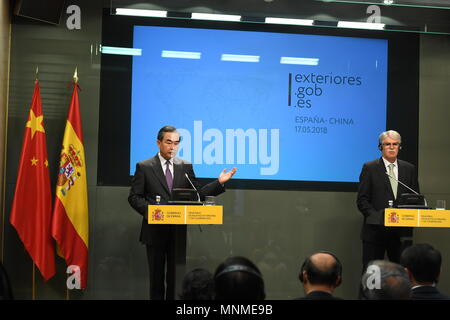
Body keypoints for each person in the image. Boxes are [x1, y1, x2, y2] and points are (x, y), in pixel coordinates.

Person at [128, 125, 236, 300]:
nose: (173, 147)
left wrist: (218, 182)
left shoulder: (185, 166)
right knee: (156, 280)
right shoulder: (145, 166)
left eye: (176, 143)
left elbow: (197, 194)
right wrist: (152, 212)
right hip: (154, 230)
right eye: (168, 142)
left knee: (176, 280)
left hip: (177, 231)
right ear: (158, 143)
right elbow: (134, 197)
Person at [356, 130, 419, 271]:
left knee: (402, 275)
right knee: (372, 275)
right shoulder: (370, 168)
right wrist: (380, 218)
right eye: (387, 144)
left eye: (395, 144)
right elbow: (362, 200)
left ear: (400, 147)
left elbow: (415, 198)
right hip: (375, 232)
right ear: (380, 147)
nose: (391, 147)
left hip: (401, 233)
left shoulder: (409, 169)